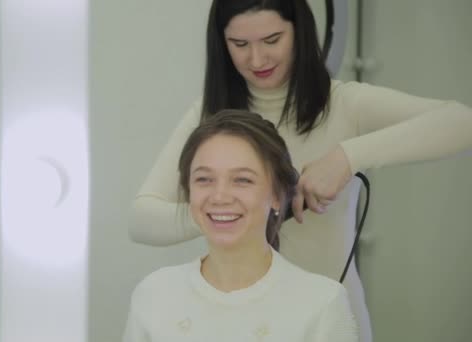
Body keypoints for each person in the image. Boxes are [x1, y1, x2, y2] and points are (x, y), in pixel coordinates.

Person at [129, 1, 472, 341]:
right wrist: (227, 210)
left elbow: (462, 122)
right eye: (240, 45)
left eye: (272, 40)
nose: (257, 59)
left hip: (329, 315)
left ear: (300, 32)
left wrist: (346, 158)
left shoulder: (344, 104)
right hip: (235, 314)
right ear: (221, 43)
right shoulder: (208, 116)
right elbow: (141, 219)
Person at [123, 110, 359, 341]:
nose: (220, 196)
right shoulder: (154, 294)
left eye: (242, 180)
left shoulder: (322, 304)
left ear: (277, 195)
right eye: (204, 179)